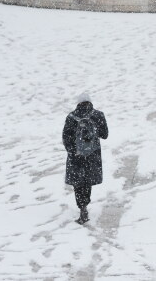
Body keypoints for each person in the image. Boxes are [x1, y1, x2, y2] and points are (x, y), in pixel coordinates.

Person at [62, 93, 108, 225]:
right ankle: (85, 205)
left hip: (76, 157)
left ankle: (82, 208)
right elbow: (105, 135)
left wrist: (74, 151)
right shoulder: (98, 115)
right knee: (87, 181)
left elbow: (66, 138)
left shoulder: (71, 117)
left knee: (78, 183)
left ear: (78, 103)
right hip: (92, 156)